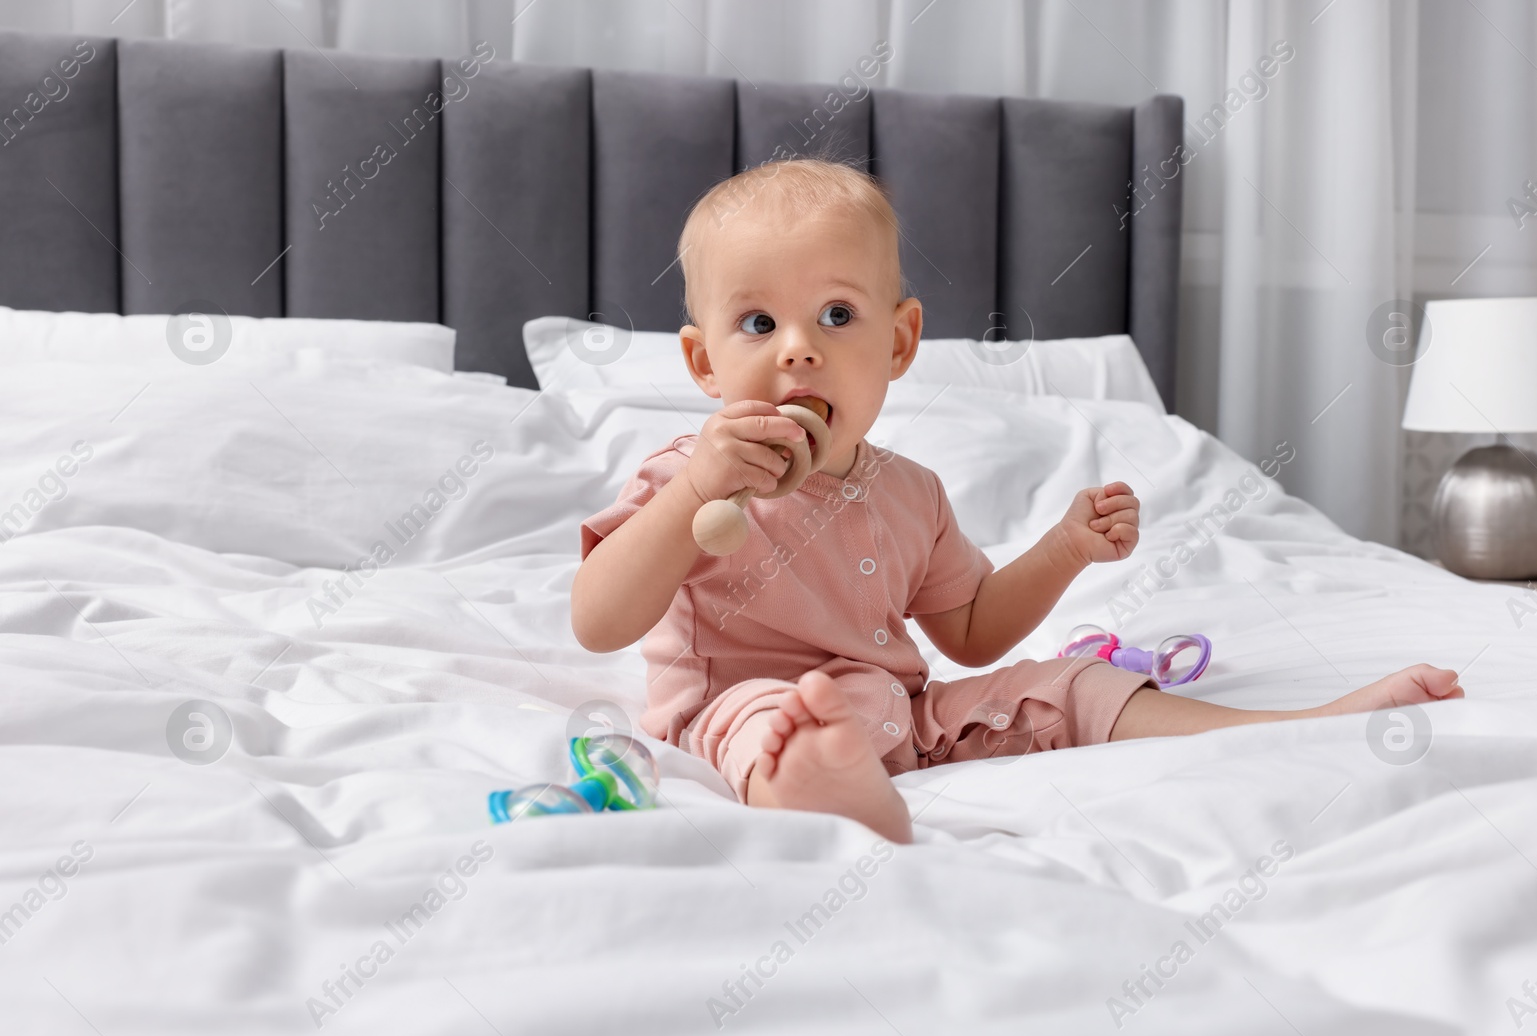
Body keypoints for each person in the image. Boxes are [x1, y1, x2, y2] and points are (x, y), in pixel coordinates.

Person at [571, 158, 1463, 844]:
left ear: (901, 340)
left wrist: (1063, 550)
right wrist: (695, 491)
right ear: (702, 362)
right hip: (741, 707)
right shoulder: (687, 476)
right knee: (776, 726)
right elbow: (599, 621)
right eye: (759, 324)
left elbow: (971, 634)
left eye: (837, 315)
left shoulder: (910, 492)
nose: (799, 350)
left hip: (901, 716)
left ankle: (1284, 728)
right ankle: (829, 791)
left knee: (1061, 682)